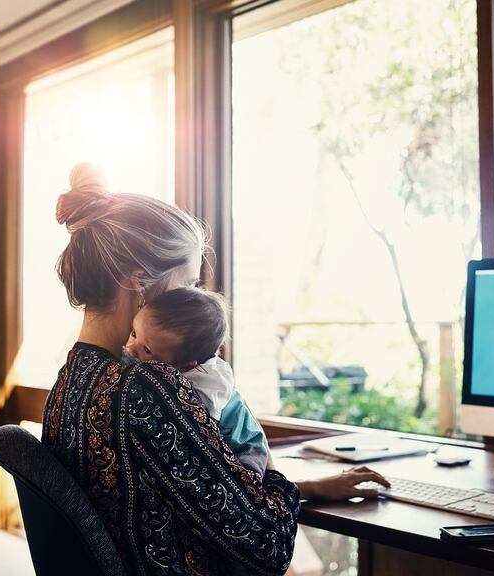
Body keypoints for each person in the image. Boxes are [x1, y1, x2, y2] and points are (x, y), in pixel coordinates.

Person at [42, 162, 389, 575]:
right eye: (186, 286)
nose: (191, 302)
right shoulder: (148, 390)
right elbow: (268, 544)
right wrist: (272, 471)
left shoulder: (72, 380)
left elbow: (194, 494)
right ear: (138, 282)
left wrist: (307, 489)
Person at [124, 286, 269, 477]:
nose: (131, 348)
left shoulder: (208, 382)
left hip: (245, 445)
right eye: (134, 333)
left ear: (185, 365)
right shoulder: (164, 361)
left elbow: (202, 425)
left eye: (147, 350)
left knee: (247, 477)